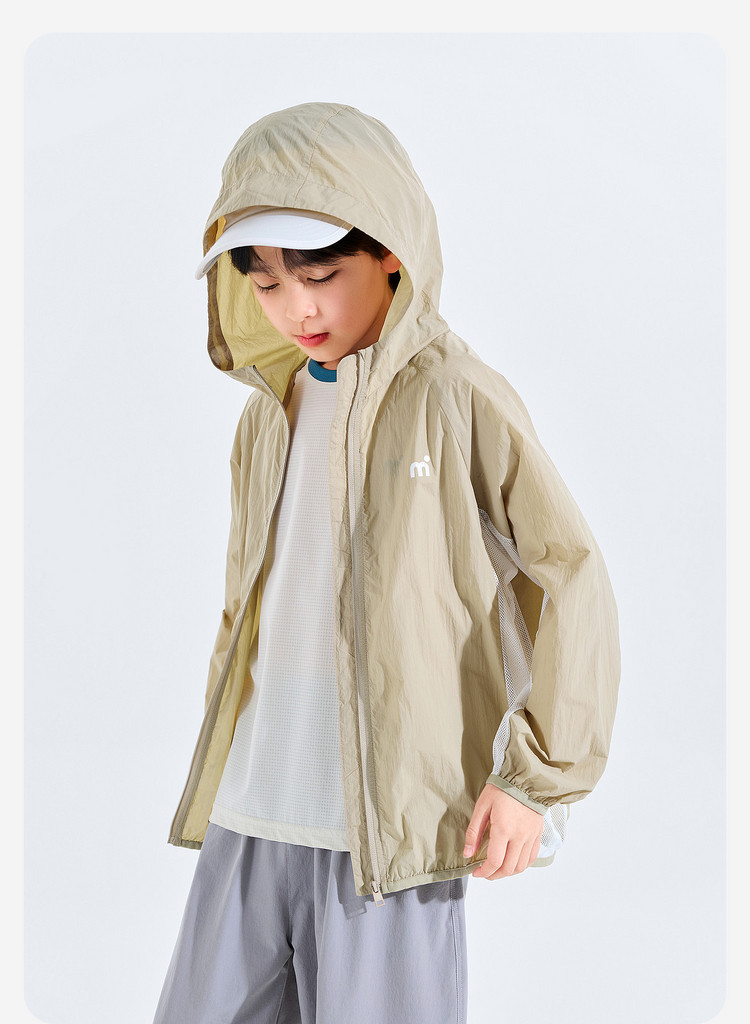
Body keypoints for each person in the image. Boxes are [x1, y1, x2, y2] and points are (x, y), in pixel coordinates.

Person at [153, 101, 621, 1024]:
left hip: (386, 838)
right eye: (266, 282)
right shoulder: (269, 416)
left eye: (321, 275)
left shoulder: (455, 396)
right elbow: (248, 610)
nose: (297, 308)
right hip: (251, 808)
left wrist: (535, 778)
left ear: (392, 256)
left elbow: (571, 576)